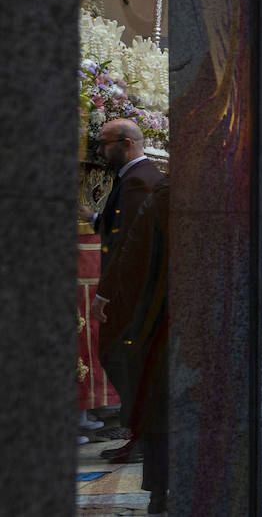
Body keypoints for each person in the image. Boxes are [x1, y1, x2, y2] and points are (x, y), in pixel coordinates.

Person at [84, 118, 162, 465]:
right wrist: (95, 218)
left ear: (127, 143)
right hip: (134, 293)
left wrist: (105, 294)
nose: (100, 151)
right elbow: (121, 227)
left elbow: (128, 246)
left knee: (123, 359)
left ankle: (143, 436)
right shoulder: (135, 178)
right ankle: (140, 436)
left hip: (132, 295)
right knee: (125, 361)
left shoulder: (138, 182)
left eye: (105, 143)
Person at [92, 176, 170, 514]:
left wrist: (112, 298)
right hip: (190, 324)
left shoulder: (160, 198)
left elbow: (129, 255)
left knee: (159, 410)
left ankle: (159, 495)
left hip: (157, 325)